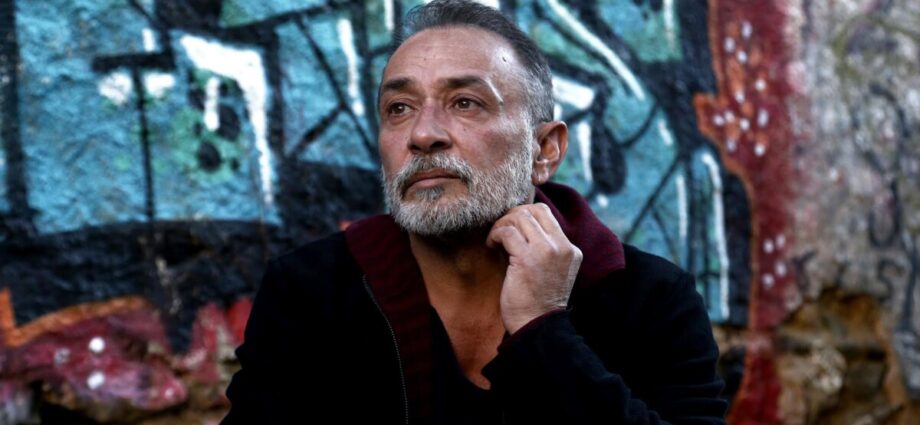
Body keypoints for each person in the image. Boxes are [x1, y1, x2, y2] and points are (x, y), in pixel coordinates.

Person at [221, 0, 728, 423]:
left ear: (544, 150)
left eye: (465, 103)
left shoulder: (651, 299)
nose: (423, 134)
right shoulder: (310, 291)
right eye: (399, 109)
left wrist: (543, 328)